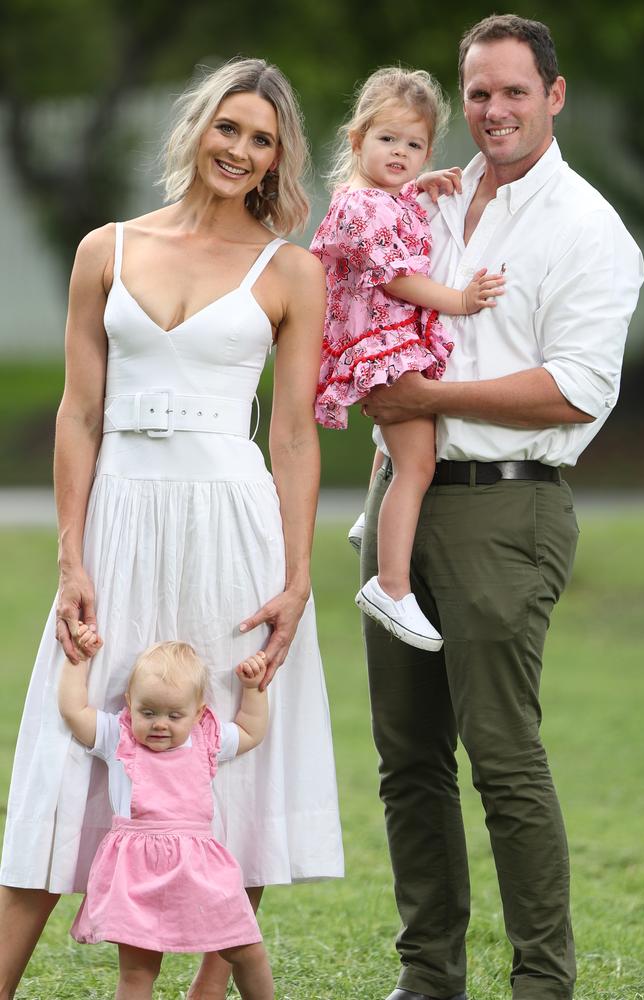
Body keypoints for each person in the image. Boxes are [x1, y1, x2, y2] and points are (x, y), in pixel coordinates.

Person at [0, 57, 344, 999]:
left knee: (231, 748)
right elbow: (77, 413)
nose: (240, 150)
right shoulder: (104, 248)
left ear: (278, 161)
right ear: (197, 128)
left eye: (262, 140)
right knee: (67, 752)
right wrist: (71, 556)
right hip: (119, 515)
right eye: (228, 128)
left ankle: (202, 994)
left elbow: (293, 436)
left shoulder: (292, 271)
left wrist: (297, 576)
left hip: (233, 521)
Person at [359, 16, 644, 1000]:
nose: (491, 111)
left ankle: (540, 984)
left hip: (501, 509)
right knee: (406, 761)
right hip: (399, 498)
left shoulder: (586, 231)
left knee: (501, 759)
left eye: (513, 92)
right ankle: (427, 975)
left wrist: (426, 400)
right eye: (477, 93)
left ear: (553, 96)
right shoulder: (429, 202)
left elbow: (573, 389)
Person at [310, 67, 504, 652]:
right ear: (356, 140)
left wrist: (420, 187)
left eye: (414, 145)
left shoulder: (380, 199)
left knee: (406, 449)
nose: (400, 153)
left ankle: (375, 517)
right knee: (417, 466)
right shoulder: (363, 208)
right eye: (387, 139)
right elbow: (398, 278)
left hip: (389, 342)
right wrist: (461, 302)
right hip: (384, 342)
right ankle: (389, 584)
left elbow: (394, 212)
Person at [58, 636, 273, 999]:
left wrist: (253, 689)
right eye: (148, 712)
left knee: (245, 947)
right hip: (137, 872)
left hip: (200, 867)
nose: (160, 725)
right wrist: (78, 660)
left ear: (198, 712)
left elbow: (252, 731)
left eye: (175, 716)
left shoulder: (206, 738)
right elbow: (73, 710)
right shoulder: (117, 737)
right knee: (138, 970)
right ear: (129, 705)